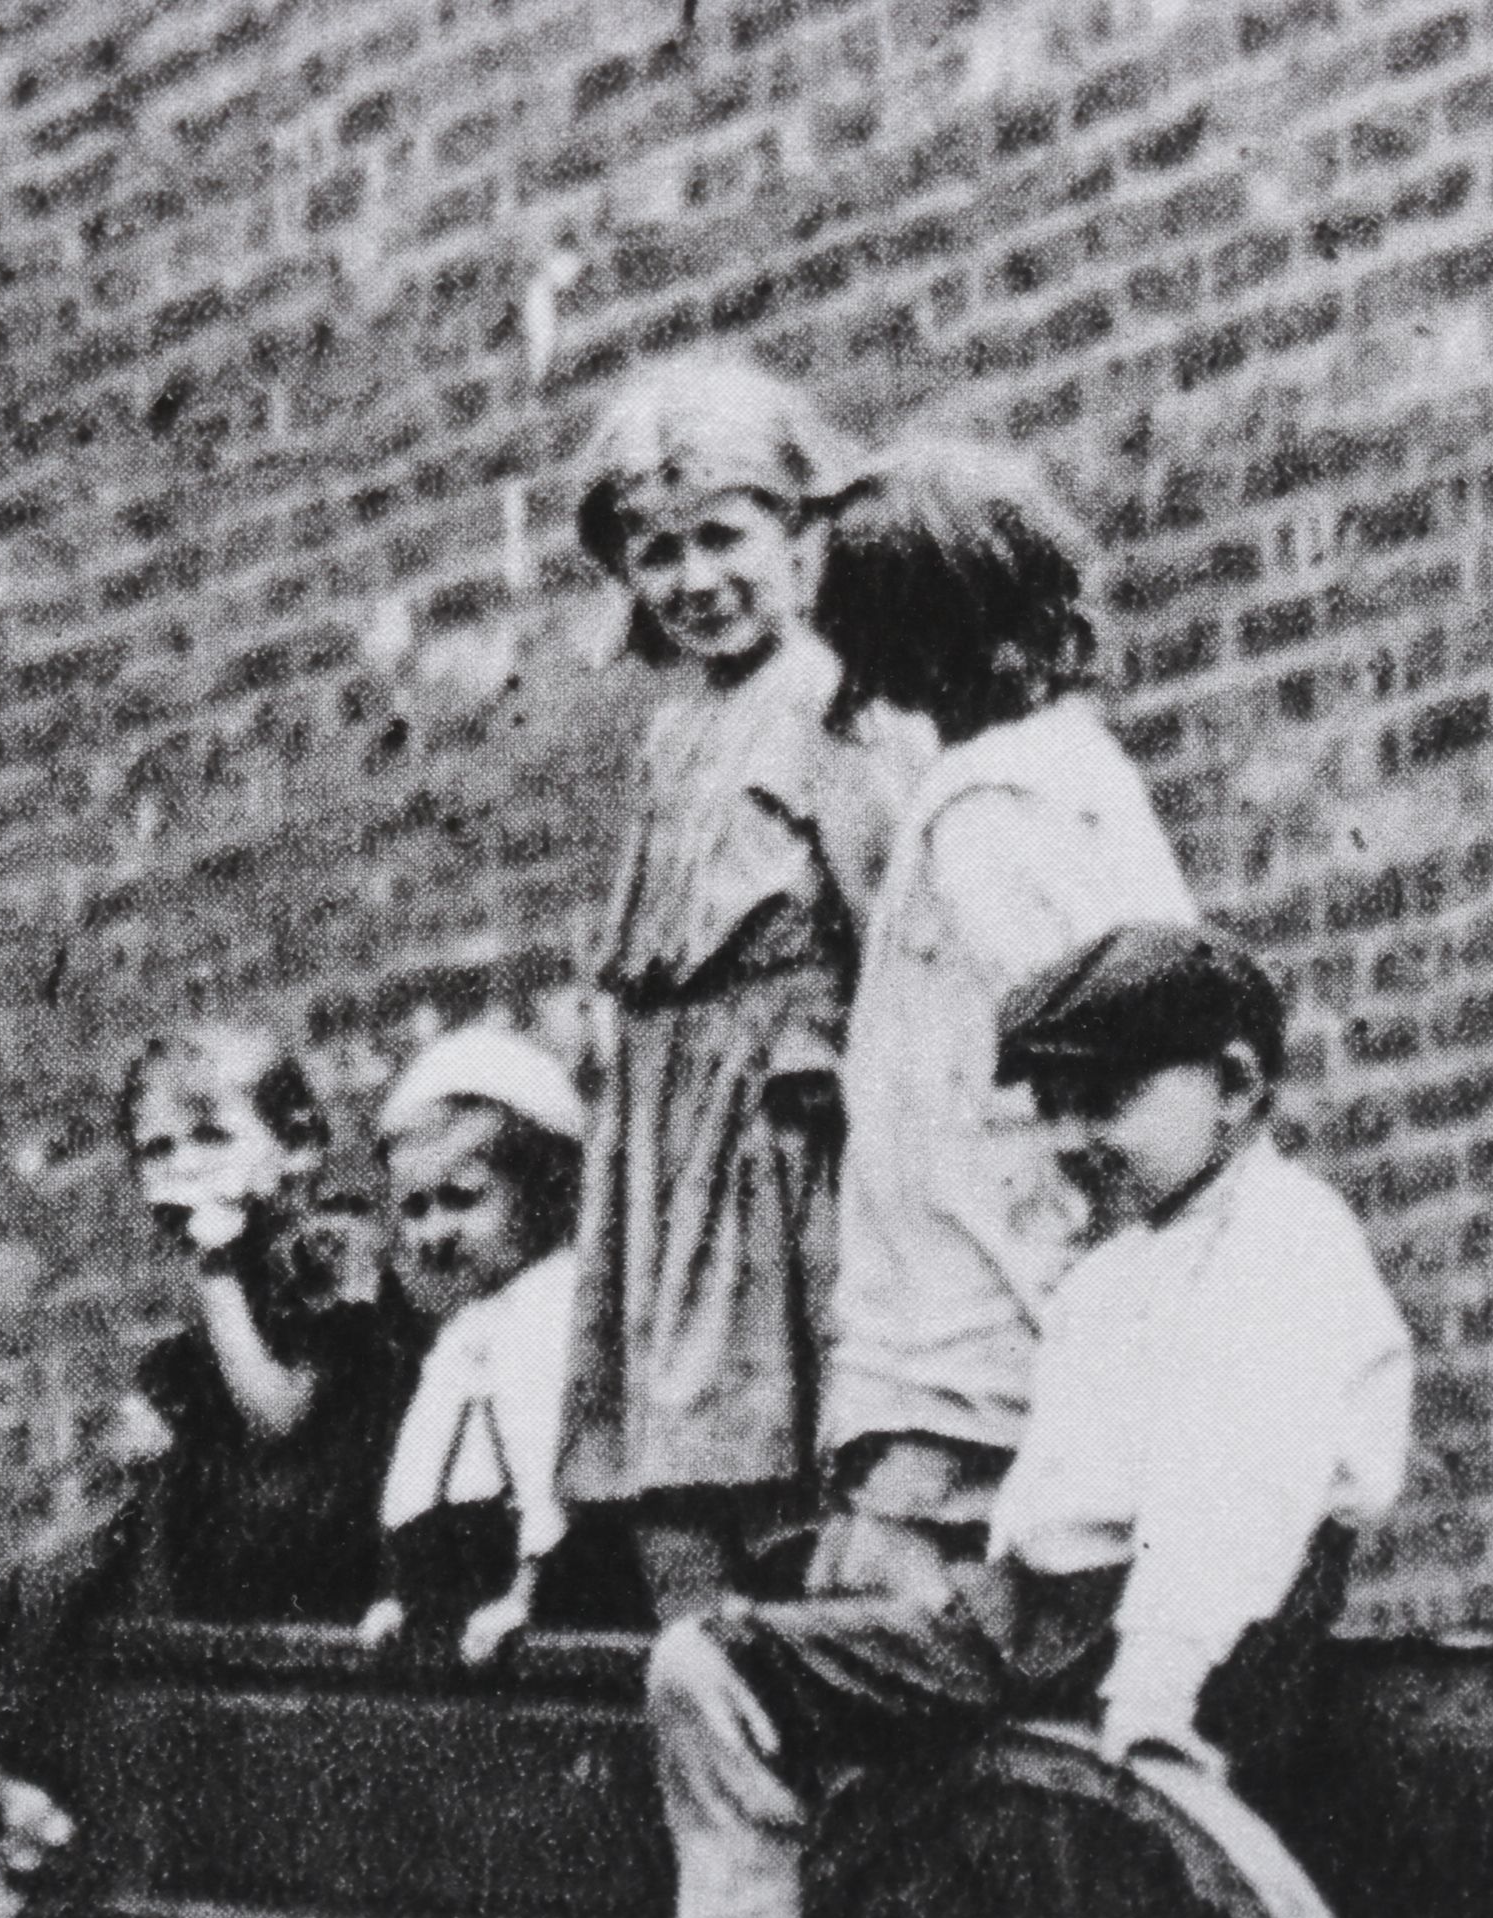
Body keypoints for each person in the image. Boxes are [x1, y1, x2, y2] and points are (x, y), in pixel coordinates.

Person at [645, 923, 1413, 1918]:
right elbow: (1049, 1495)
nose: (1067, 1137)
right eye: (1050, 1107)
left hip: (1199, 1634)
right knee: (708, 1660)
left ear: (1234, 1085)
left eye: (1103, 1102)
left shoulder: (1283, 1247)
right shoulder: (1110, 1271)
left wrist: (1154, 1689)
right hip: (1039, 1619)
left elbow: (1234, 1500)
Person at [560, 354, 939, 1616]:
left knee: (782, 1464)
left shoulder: (845, 707)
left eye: (723, 536)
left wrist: (830, 1042)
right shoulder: (673, 737)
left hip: (786, 1151)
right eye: (657, 554)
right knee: (664, 1488)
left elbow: (907, 940)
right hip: (667, 1151)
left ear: (800, 530)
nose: (695, 581)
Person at [807, 436, 1199, 1607]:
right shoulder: (1081, 770)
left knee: (897, 1594)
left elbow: (1087, 1031)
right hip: (1018, 1303)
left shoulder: (986, 808)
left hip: (973, 1314)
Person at [0, 1026, 419, 1875]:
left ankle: (102, 1791)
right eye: (157, 1148)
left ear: (299, 1148)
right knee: (47, 1567)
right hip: (241, 1515)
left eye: (211, 1136)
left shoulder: (331, 1250)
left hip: (327, 1520)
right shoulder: (233, 1282)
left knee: (119, 1555)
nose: (181, 1167)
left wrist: (214, 1277)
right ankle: (26, 1776)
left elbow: (280, 1416)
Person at [358, 1026, 627, 1664]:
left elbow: (546, 1465)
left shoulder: (556, 1307)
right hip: (472, 1572)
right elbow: (423, 1462)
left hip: (552, 1578)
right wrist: (405, 1589)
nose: (436, 1232)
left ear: (546, 1188)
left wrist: (530, 1592)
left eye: (463, 1198)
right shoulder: (464, 1329)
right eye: (416, 1208)